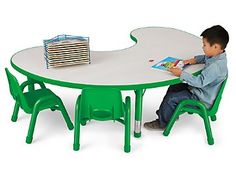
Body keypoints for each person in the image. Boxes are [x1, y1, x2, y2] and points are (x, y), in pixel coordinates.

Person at [144, 25, 229, 130]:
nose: (202, 47)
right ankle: (168, 114)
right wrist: (195, 60)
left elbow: (199, 82)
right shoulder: (217, 57)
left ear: (215, 47)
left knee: (171, 99)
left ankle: (162, 123)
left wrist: (181, 74)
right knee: (174, 86)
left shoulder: (215, 67)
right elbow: (206, 58)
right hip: (203, 92)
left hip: (201, 99)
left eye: (204, 45)